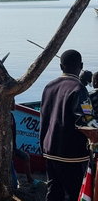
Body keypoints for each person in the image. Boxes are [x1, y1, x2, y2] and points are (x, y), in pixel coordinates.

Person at [40, 49, 94, 201]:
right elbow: (87, 122)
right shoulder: (79, 89)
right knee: (75, 193)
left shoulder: (49, 87)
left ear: (61, 66)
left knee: (53, 192)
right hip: (72, 154)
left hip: (49, 149)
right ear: (81, 66)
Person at [0, 99, 40, 189]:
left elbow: (13, 135)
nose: (15, 105)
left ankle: (30, 180)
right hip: (2, 149)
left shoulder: (11, 116)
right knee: (13, 184)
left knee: (26, 157)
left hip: (11, 147)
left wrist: (13, 148)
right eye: (13, 103)